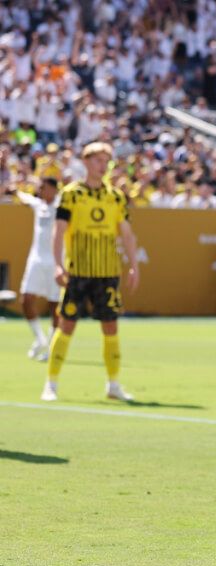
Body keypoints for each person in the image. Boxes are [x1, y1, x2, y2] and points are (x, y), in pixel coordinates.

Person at [43, 142, 139, 402]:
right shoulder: (71, 194)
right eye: (97, 160)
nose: (102, 165)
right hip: (78, 271)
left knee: (111, 326)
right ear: (85, 162)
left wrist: (133, 265)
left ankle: (113, 384)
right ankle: (51, 383)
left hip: (108, 271)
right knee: (67, 324)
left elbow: (127, 234)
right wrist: (58, 264)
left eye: (106, 161)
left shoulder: (115, 196)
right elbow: (59, 231)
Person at [4, 178, 62, 361]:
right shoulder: (38, 205)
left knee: (55, 305)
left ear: (53, 189)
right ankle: (40, 339)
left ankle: (52, 347)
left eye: (43, 188)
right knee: (26, 299)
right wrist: (14, 191)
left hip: (55, 262)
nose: (40, 191)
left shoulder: (62, 206)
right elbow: (25, 198)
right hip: (36, 260)